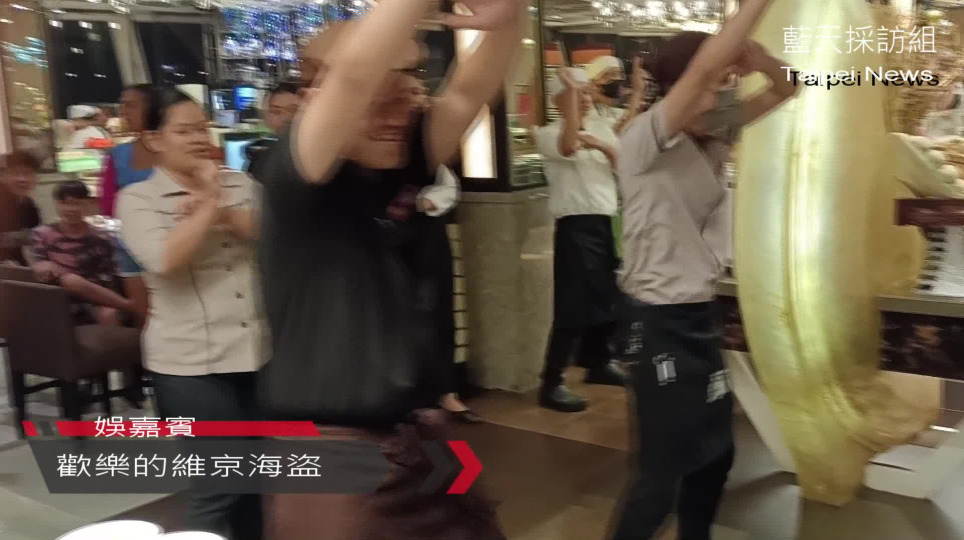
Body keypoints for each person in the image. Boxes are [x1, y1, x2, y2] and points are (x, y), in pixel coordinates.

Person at [255, 0, 522, 537]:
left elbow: (469, 89)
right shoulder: (294, 177)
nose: (397, 116)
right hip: (334, 455)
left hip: (421, 430)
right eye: (379, 101)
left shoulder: (398, 162)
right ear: (315, 99)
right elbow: (354, 75)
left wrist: (510, 14)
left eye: (405, 96)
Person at [607, 0, 798, 536]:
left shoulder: (712, 132)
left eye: (724, 86)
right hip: (655, 318)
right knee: (662, 471)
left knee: (715, 455)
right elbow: (703, 71)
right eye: (710, 86)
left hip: (694, 313)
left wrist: (759, 58)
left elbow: (789, 87)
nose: (716, 98)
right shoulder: (644, 138)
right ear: (678, 87)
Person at [117, 88, 264, 540]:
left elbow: (272, 234)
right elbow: (165, 259)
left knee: (258, 480)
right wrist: (211, 202)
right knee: (219, 484)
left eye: (202, 128)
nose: (199, 138)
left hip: (259, 353)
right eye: (184, 131)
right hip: (189, 364)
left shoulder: (244, 184)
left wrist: (214, 208)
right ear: (154, 139)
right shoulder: (137, 199)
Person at [534, 68, 625, 413]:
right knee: (572, 306)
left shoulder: (601, 129)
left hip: (607, 222)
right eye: (575, 93)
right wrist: (574, 108)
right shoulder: (548, 133)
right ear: (558, 100)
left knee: (609, 297)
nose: (585, 99)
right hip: (575, 227)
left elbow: (622, 166)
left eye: (587, 92)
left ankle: (599, 363)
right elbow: (569, 146)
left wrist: (600, 143)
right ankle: (551, 383)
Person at [30, 181, 135, 326]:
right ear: (56, 204)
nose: (71, 209)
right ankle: (128, 305)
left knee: (108, 314)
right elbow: (40, 264)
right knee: (69, 280)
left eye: (77, 203)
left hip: (95, 294)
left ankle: (126, 308)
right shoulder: (42, 234)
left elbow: (107, 275)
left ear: (88, 205)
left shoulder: (100, 237)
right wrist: (44, 267)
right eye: (64, 203)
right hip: (60, 294)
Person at [100, 84, 156, 326]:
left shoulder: (177, 150)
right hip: (131, 248)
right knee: (147, 322)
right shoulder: (119, 154)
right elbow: (107, 203)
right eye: (122, 105)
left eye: (131, 105)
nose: (123, 111)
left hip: (173, 246)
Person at [245, 81, 302, 180]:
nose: (287, 118)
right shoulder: (261, 157)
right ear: (267, 117)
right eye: (277, 111)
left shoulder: (317, 157)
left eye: (294, 110)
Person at [0, 151, 42, 266]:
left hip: (17, 266)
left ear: (36, 178)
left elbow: (36, 238)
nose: (22, 179)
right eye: (15, 173)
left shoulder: (30, 206)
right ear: (3, 176)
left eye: (27, 173)